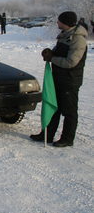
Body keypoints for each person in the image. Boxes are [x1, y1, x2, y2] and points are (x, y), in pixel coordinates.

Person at [30, 11, 87, 147]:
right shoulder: (64, 36)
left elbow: (71, 62)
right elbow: (60, 53)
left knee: (69, 111)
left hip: (70, 80)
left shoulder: (78, 39)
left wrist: (53, 58)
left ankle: (67, 139)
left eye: (59, 21)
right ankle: (47, 135)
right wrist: (50, 52)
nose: (57, 23)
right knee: (53, 106)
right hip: (58, 78)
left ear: (66, 23)